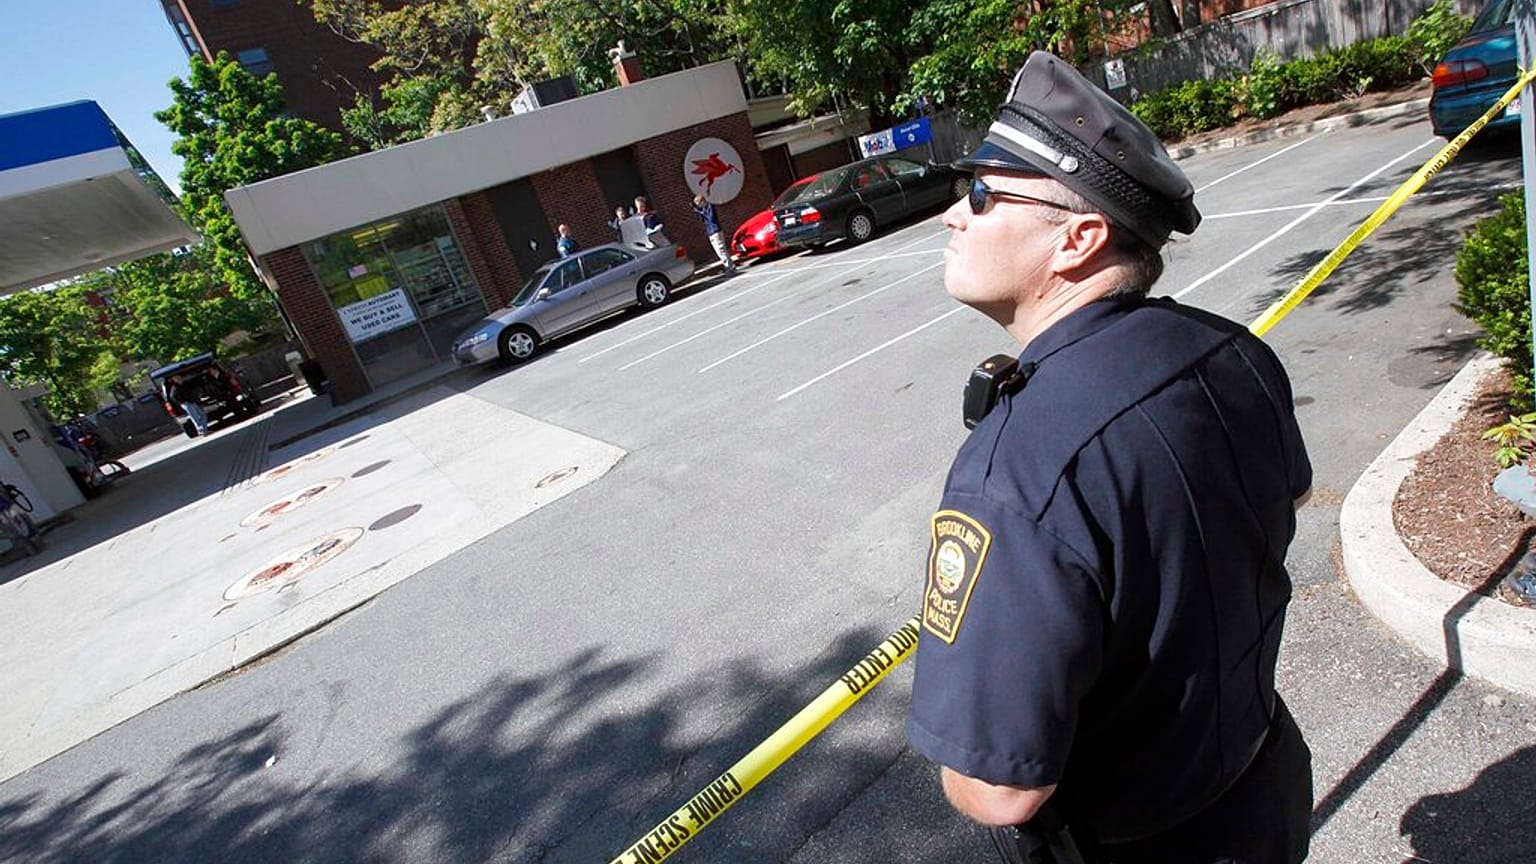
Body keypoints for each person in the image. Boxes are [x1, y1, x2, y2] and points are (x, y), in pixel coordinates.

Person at [906, 52, 1313, 864]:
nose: (954, 215)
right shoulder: (1231, 350)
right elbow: (1286, 502)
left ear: (1079, 238)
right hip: (1264, 791)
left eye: (983, 195)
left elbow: (998, 789)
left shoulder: (1013, 474)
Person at [692, 193, 737, 274]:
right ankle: (729, 265)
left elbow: (710, 218)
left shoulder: (710, 206)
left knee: (721, 250)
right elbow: (703, 220)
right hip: (710, 232)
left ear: (702, 201)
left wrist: (700, 211)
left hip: (716, 231)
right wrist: (698, 212)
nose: (698, 206)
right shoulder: (703, 209)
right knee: (718, 251)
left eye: (698, 204)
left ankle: (730, 266)